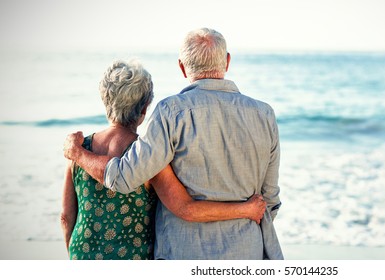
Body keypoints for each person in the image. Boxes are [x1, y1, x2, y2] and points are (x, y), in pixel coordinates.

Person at [63, 27, 283, 260]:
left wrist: (77, 153)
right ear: (227, 62)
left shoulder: (171, 113)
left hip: (183, 254)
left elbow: (123, 178)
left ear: (181, 66)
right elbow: (269, 200)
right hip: (247, 252)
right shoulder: (264, 114)